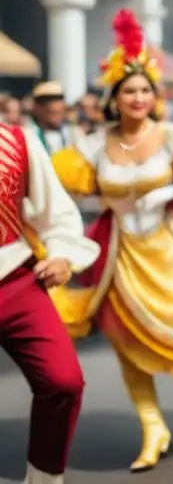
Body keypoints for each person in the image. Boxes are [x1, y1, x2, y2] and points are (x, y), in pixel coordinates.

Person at [49, 10, 173, 473]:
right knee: (125, 341)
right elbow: (64, 188)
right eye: (128, 91)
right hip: (122, 255)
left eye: (144, 90)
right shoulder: (93, 145)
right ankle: (152, 425)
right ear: (114, 98)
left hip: (172, 248)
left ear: (154, 96)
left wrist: (168, 191)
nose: (137, 98)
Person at [0, 119, 99, 484]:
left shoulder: (16, 140)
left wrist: (61, 255)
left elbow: (55, 212)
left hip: (15, 278)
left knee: (63, 382)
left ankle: (44, 478)